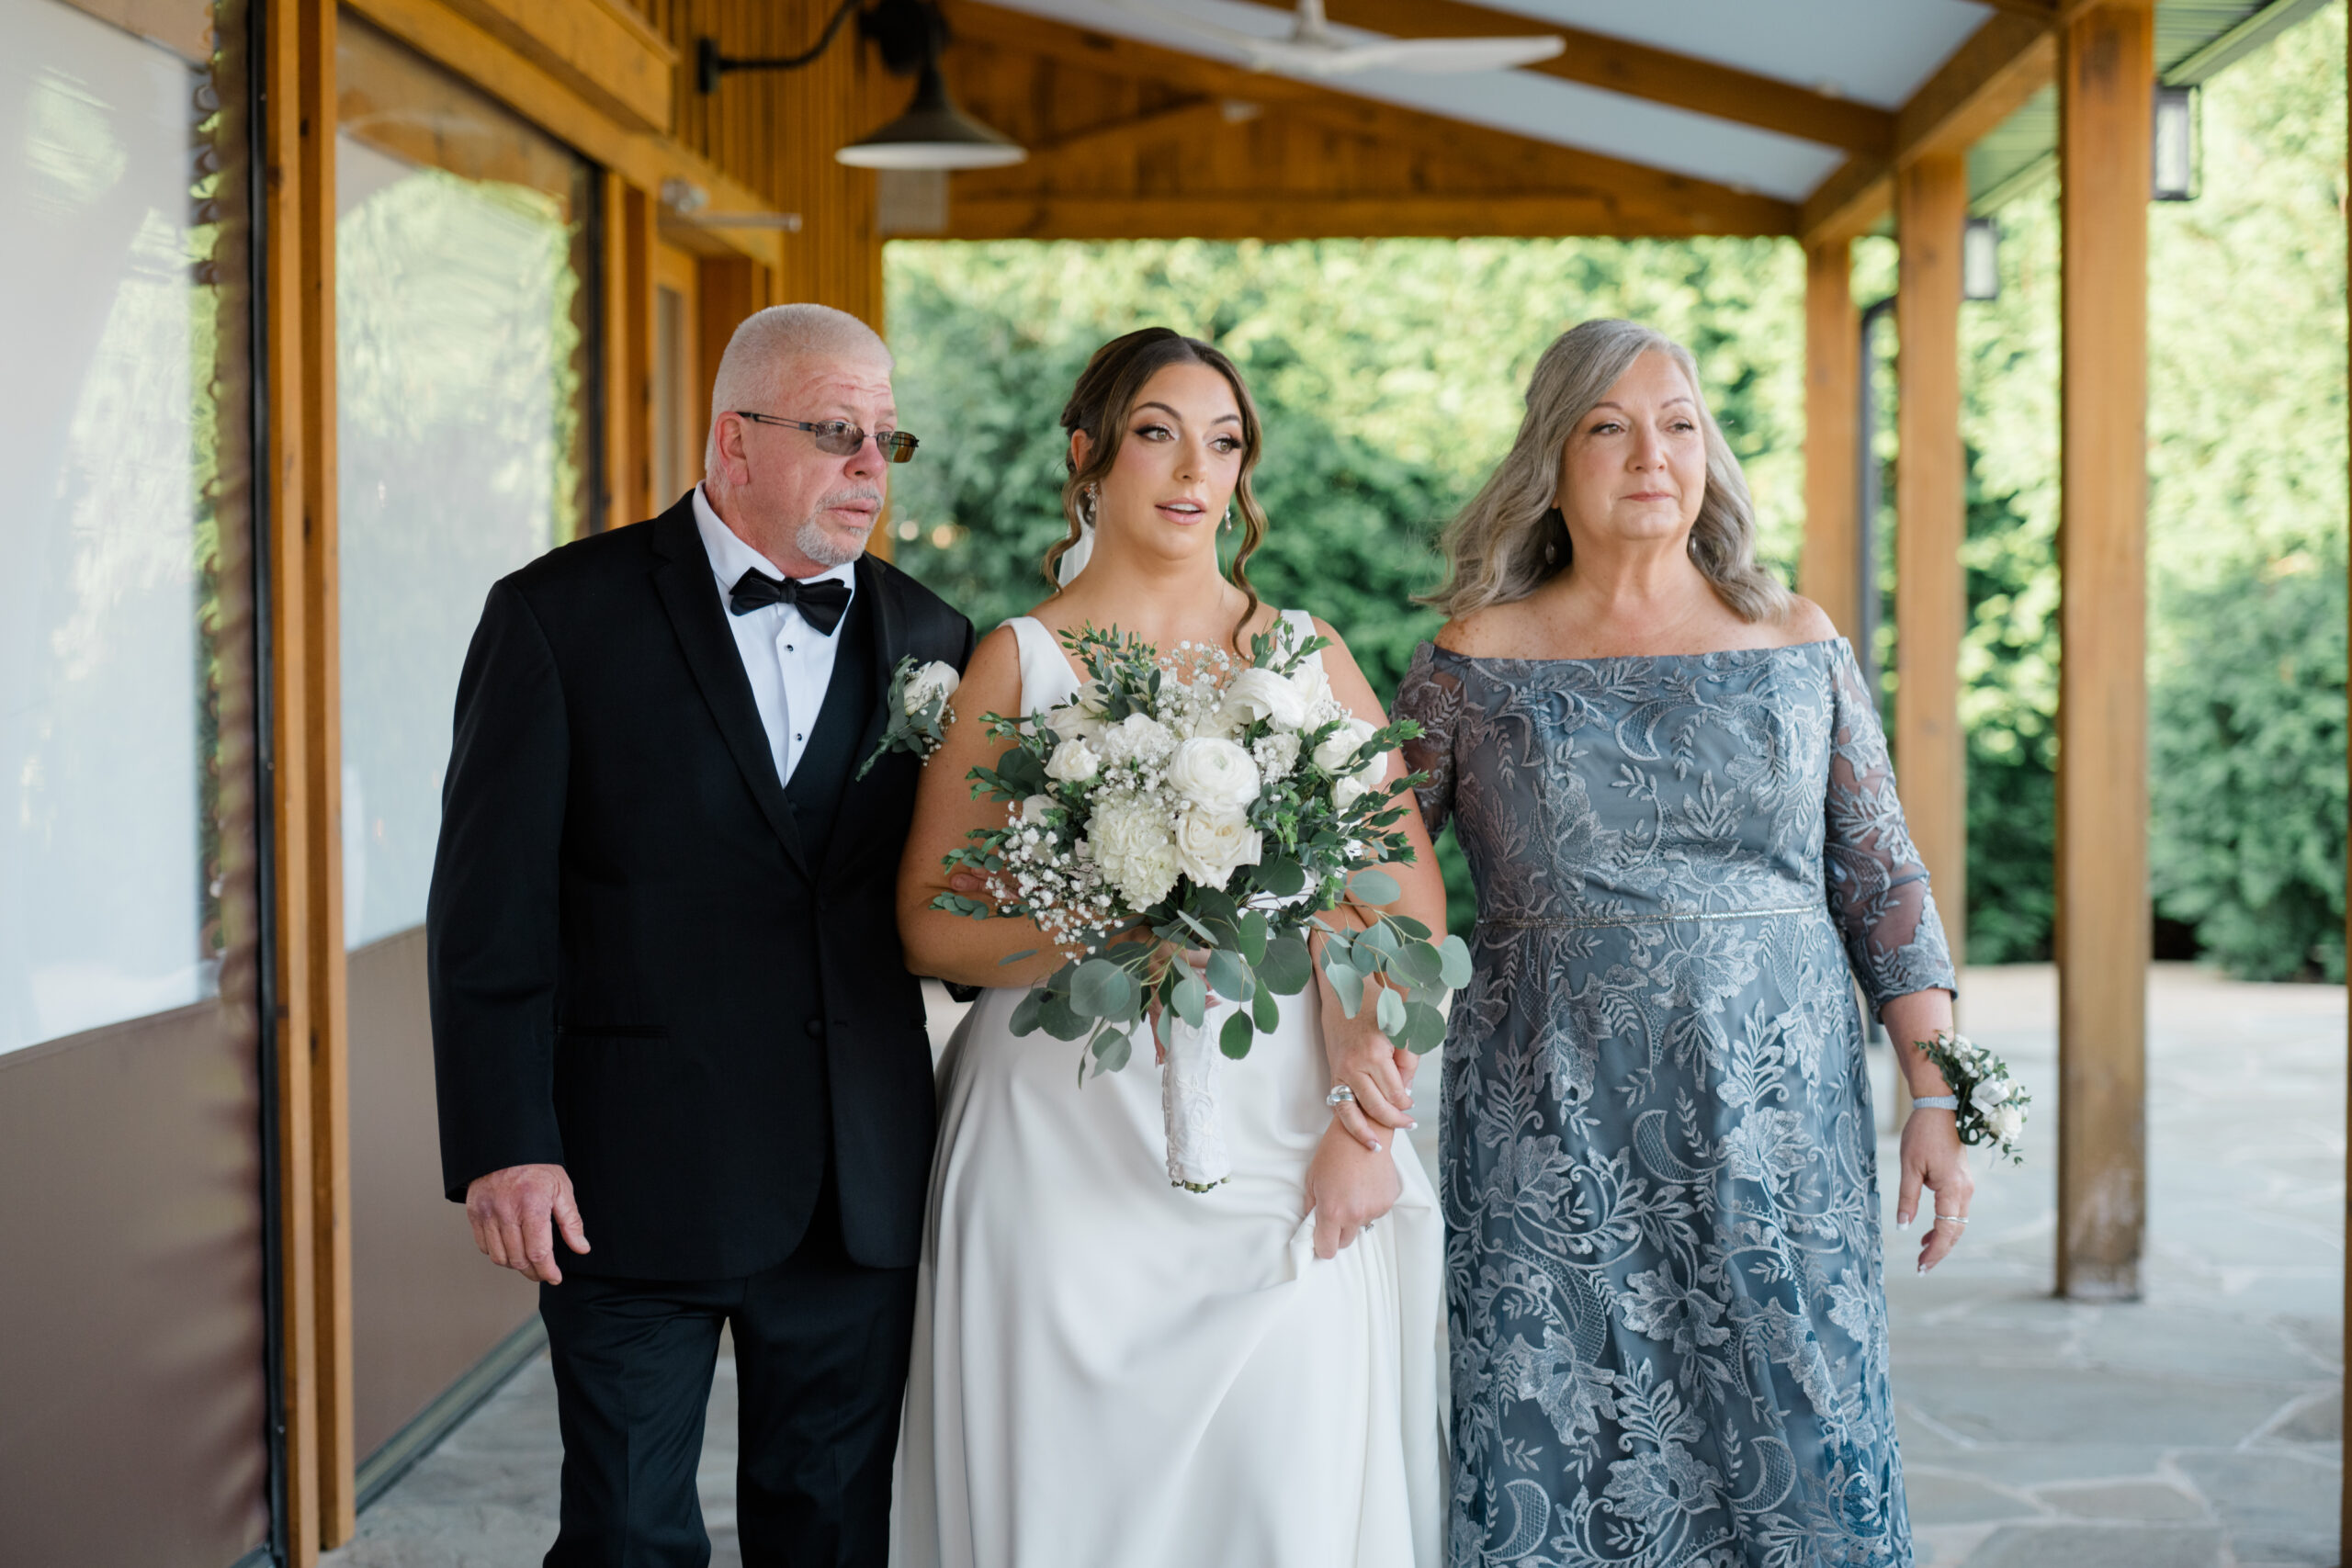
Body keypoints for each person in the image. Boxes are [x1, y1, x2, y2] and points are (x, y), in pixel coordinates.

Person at [1394, 319, 1968, 1568]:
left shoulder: (1795, 639)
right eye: (1609, 426)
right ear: (1551, 460)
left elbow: (1882, 876)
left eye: (1677, 423)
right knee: (1563, 1435)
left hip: (1781, 1127)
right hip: (1549, 1130)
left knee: (1806, 1426)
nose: (1650, 453)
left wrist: (1940, 1091)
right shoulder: (1474, 660)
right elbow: (1368, 879)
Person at [890, 327, 1447, 1568]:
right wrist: (1103, 913)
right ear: (1087, 456)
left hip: (1282, 1144)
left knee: (1286, 1489)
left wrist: (1368, 1132)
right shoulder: (1017, 662)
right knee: (1069, 1501)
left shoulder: (1302, 656)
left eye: (1225, 440)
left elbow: (1408, 912)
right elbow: (934, 922)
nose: (1195, 469)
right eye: (1157, 432)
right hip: (1059, 1158)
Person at [427, 303, 974, 1567]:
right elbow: (489, 909)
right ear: (733, 440)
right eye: (838, 433)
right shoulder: (556, 618)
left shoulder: (934, 640)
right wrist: (507, 1144)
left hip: (855, 1179)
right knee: (625, 1533)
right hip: (625, 1175)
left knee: (832, 1533)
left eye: (889, 440)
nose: (870, 471)